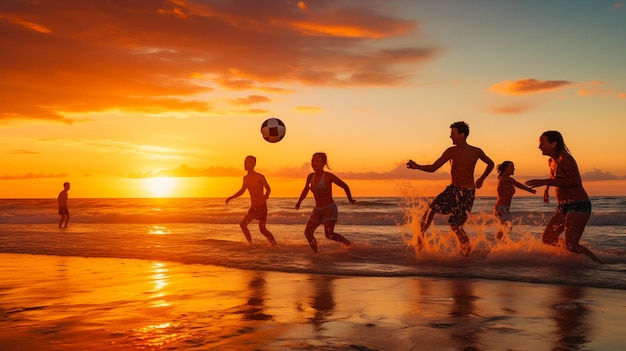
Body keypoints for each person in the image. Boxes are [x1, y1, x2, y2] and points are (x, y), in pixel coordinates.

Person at [407, 121, 494, 256]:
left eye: (453, 133)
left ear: (462, 134)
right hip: (453, 190)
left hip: (467, 193)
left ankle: (466, 253)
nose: (450, 136)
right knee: (431, 210)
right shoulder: (451, 151)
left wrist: (482, 178)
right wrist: (417, 166)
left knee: (456, 225)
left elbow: (491, 163)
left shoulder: (476, 151)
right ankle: (420, 239)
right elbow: (433, 168)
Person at [525, 131, 603, 263]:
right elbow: (554, 178)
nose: (539, 147)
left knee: (572, 245)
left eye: (542, 143)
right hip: (563, 206)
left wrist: (545, 182)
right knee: (548, 239)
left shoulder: (565, 158)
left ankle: (601, 266)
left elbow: (575, 181)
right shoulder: (551, 161)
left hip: (578, 205)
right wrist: (547, 189)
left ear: (554, 143)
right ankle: (568, 260)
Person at [295, 152, 357, 254]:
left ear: (323, 163)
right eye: (313, 160)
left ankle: (348, 244)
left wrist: (350, 199)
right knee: (308, 233)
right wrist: (299, 202)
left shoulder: (328, 176)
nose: (314, 163)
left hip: (329, 209)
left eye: (317, 161)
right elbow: (305, 190)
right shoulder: (310, 176)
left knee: (329, 235)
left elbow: (344, 186)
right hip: (317, 210)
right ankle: (317, 254)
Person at [226, 156, 277, 246]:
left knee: (262, 230)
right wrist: (231, 197)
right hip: (253, 206)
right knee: (243, 225)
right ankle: (250, 244)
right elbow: (242, 191)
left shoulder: (259, 176)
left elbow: (268, 188)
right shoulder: (245, 178)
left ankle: (275, 245)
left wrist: (266, 196)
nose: (245, 164)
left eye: (248, 162)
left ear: (254, 164)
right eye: (245, 162)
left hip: (261, 206)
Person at [494, 161, 536, 239]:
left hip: (503, 208)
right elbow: (518, 184)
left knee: (505, 227)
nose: (514, 169)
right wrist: (529, 190)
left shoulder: (505, 179)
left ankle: (500, 245)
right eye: (512, 168)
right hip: (501, 208)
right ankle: (499, 244)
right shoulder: (506, 179)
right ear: (505, 168)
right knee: (507, 227)